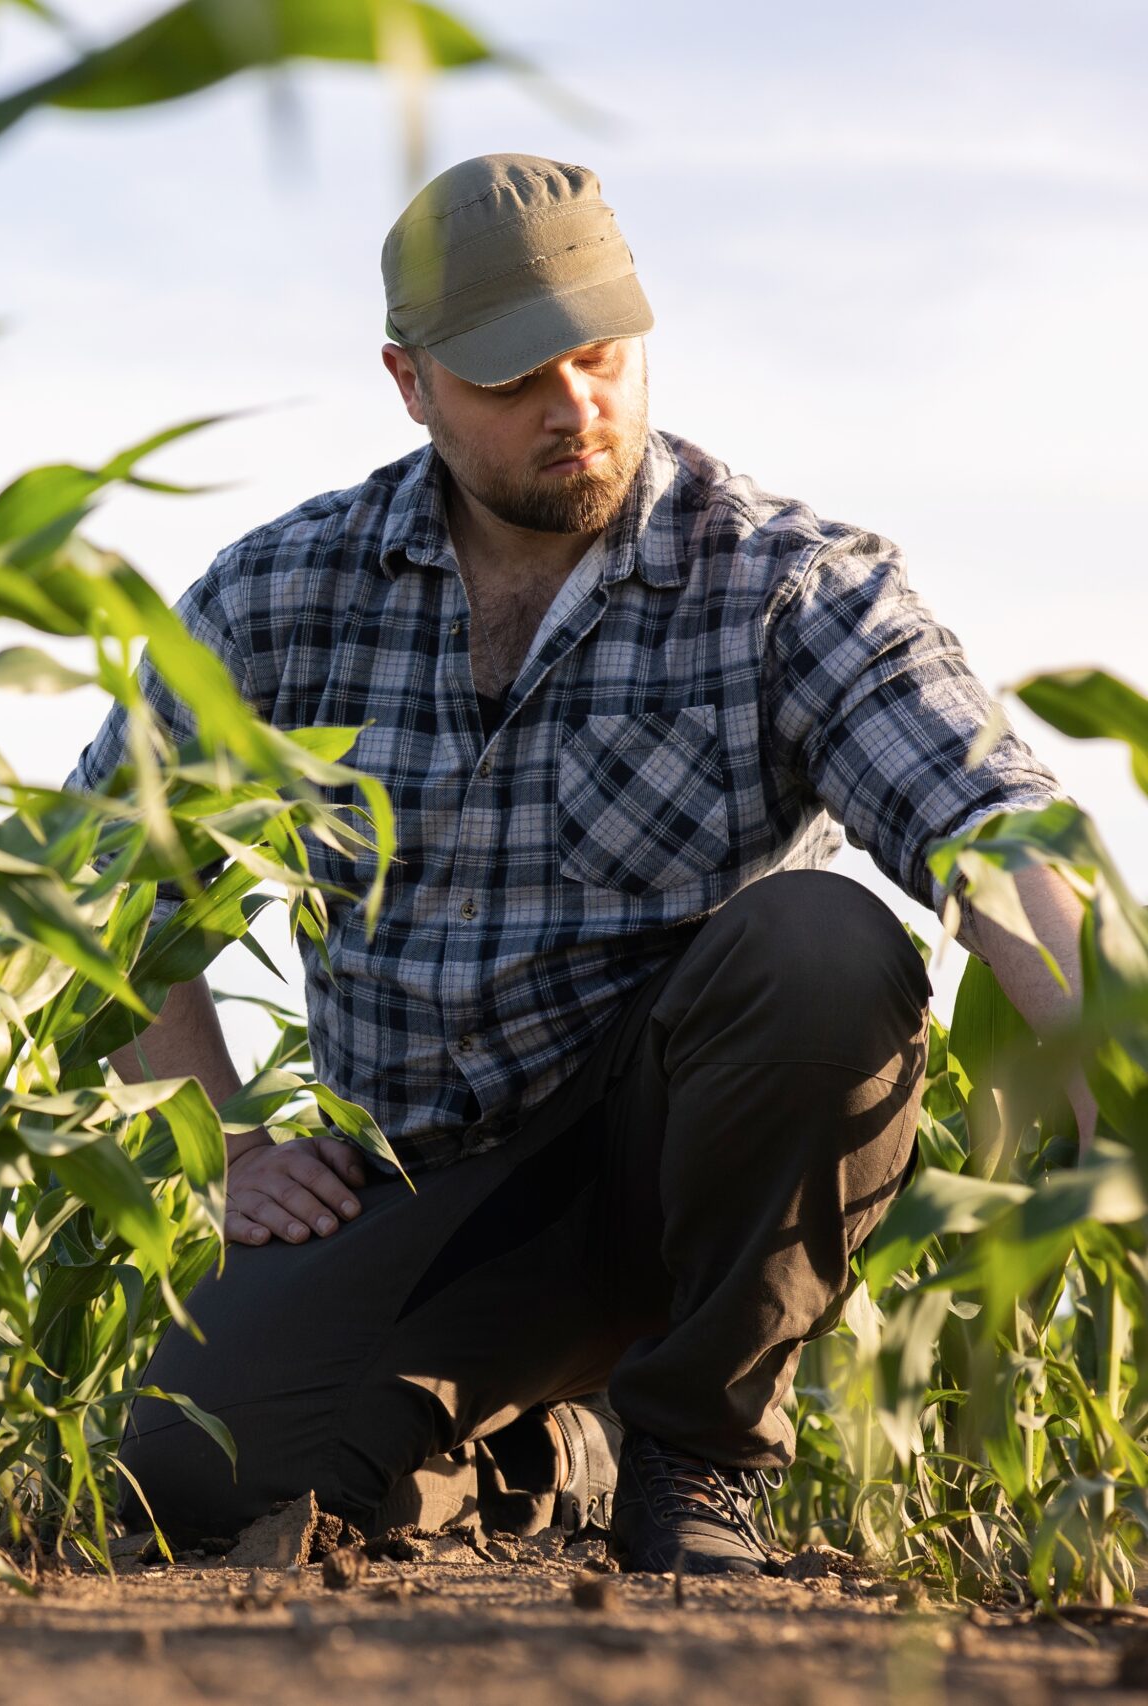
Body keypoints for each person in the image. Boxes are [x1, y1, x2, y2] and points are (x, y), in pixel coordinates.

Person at [68, 154, 1094, 1576]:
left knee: (824, 948)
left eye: (603, 354)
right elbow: (96, 886)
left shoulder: (782, 583)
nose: (577, 408)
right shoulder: (276, 597)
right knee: (189, 1475)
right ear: (410, 382)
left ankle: (696, 1453)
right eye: (513, 378)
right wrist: (222, 1139)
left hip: (683, 1176)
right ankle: (543, 1444)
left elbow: (995, 822)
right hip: (424, 1196)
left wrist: (1118, 1044)